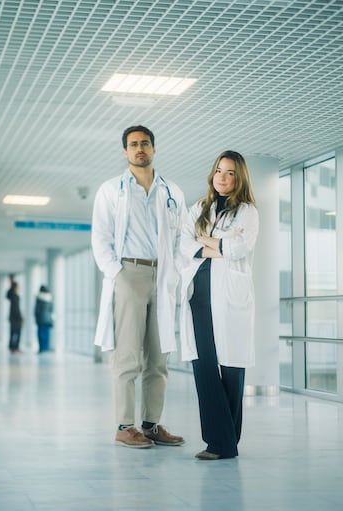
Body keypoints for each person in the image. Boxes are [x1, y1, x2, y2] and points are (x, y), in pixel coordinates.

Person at [91, 125, 186, 449]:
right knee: (128, 356)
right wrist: (117, 274)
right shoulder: (111, 189)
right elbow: (100, 238)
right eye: (133, 145)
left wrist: (174, 273)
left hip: (162, 276)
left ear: (154, 148)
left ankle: (150, 425)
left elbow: (180, 238)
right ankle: (124, 426)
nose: (139, 149)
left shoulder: (171, 190)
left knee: (159, 358)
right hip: (129, 273)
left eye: (144, 143)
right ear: (125, 152)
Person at [179, 150, 259, 460]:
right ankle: (218, 443)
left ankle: (227, 443)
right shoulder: (200, 207)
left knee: (231, 367)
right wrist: (217, 244)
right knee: (204, 367)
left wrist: (206, 240)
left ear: (239, 179)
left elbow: (240, 247)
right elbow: (184, 243)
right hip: (199, 293)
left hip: (229, 297)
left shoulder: (248, 212)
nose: (222, 178)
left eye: (230, 173)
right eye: (219, 171)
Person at [34, 285, 54, 353]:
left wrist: (36, 318)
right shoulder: (50, 298)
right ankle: (46, 348)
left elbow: (37, 310)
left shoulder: (39, 298)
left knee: (40, 334)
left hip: (41, 319)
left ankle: (41, 348)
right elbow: (51, 310)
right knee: (47, 334)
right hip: (48, 319)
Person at [6, 280, 23, 353]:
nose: (20, 288)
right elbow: (16, 309)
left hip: (12, 318)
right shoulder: (15, 296)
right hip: (16, 318)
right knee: (17, 333)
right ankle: (15, 348)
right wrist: (20, 318)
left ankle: (12, 347)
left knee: (13, 333)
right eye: (18, 286)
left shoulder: (12, 296)